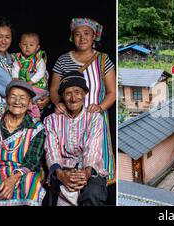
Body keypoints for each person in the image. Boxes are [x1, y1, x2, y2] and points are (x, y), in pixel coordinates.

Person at [50, 18, 116, 184]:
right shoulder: (63, 60)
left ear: (94, 36)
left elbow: (112, 92)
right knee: (65, 159)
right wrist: (58, 103)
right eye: (78, 34)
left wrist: (100, 107)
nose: (82, 38)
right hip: (67, 119)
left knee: (94, 159)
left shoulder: (103, 60)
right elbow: (53, 88)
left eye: (87, 33)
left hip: (95, 117)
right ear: (72, 37)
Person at [44, 71, 107, 206]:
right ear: (62, 96)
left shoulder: (95, 118)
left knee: (92, 193)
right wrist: (60, 174)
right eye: (68, 93)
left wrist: (86, 173)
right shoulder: (51, 120)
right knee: (55, 194)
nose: (73, 98)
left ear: (84, 94)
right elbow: (51, 149)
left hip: (89, 169)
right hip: (62, 169)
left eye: (78, 92)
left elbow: (93, 149)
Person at [0, 80, 45, 206]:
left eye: (23, 98)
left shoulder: (37, 128)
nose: (17, 102)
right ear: (6, 99)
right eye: (13, 97)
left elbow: (32, 161)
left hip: (24, 171)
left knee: (31, 182)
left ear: (30, 102)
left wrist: (14, 178)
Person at [0, 18, 50, 118]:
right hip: (8, 118)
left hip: (28, 116)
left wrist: (46, 97)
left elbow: (43, 75)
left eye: (7, 37)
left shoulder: (15, 58)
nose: (4, 41)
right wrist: (39, 95)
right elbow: (14, 90)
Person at [11, 32, 49, 119]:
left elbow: (41, 72)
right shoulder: (19, 58)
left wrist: (31, 81)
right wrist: (15, 78)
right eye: (24, 44)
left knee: (29, 98)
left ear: (37, 47)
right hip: (26, 86)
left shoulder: (38, 59)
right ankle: (29, 113)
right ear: (20, 45)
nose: (27, 47)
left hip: (38, 85)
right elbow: (15, 68)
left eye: (31, 45)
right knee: (24, 96)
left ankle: (36, 116)